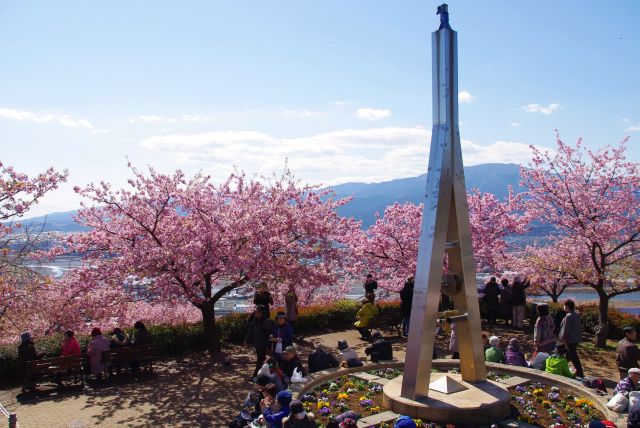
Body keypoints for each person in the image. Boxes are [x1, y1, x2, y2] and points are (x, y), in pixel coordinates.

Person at [245, 305, 274, 379]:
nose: (255, 313)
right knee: (263, 359)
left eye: (257, 312)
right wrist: (246, 340)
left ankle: (255, 376)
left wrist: (268, 345)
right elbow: (250, 330)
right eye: (255, 312)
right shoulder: (254, 320)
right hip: (257, 343)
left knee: (260, 360)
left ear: (261, 313)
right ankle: (268, 372)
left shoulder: (266, 322)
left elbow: (269, 334)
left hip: (263, 344)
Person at [559, 299, 584, 378]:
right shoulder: (576, 314)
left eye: (564, 305)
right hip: (576, 338)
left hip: (570, 339)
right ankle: (563, 368)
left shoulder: (569, 316)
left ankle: (580, 372)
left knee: (573, 356)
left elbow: (566, 329)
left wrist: (563, 338)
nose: (563, 307)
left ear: (567, 307)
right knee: (568, 355)